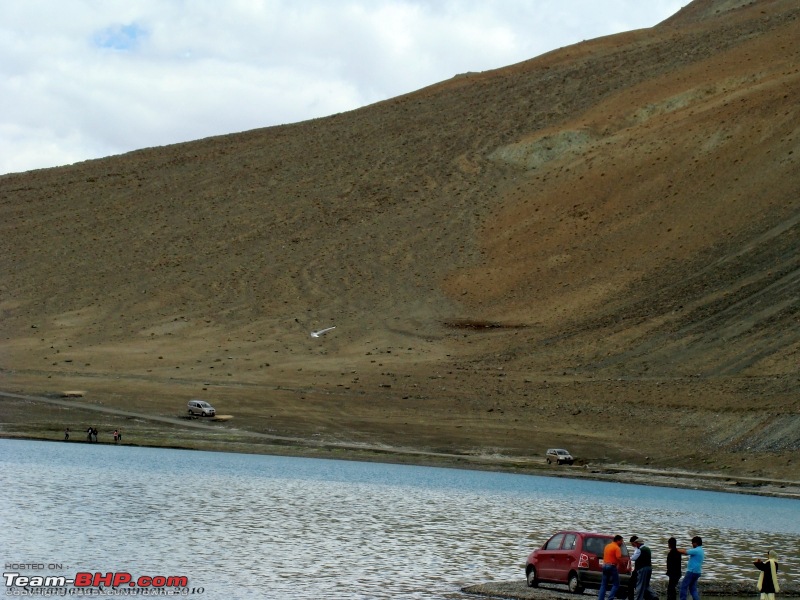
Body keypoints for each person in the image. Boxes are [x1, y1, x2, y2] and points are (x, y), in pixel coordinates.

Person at [598, 535, 625, 600]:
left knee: (604, 584)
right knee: (616, 584)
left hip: (605, 565)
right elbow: (618, 557)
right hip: (612, 566)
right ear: (617, 540)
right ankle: (610, 598)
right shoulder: (617, 548)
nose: (622, 542)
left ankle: (600, 599)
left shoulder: (607, 546)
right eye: (621, 541)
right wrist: (623, 564)